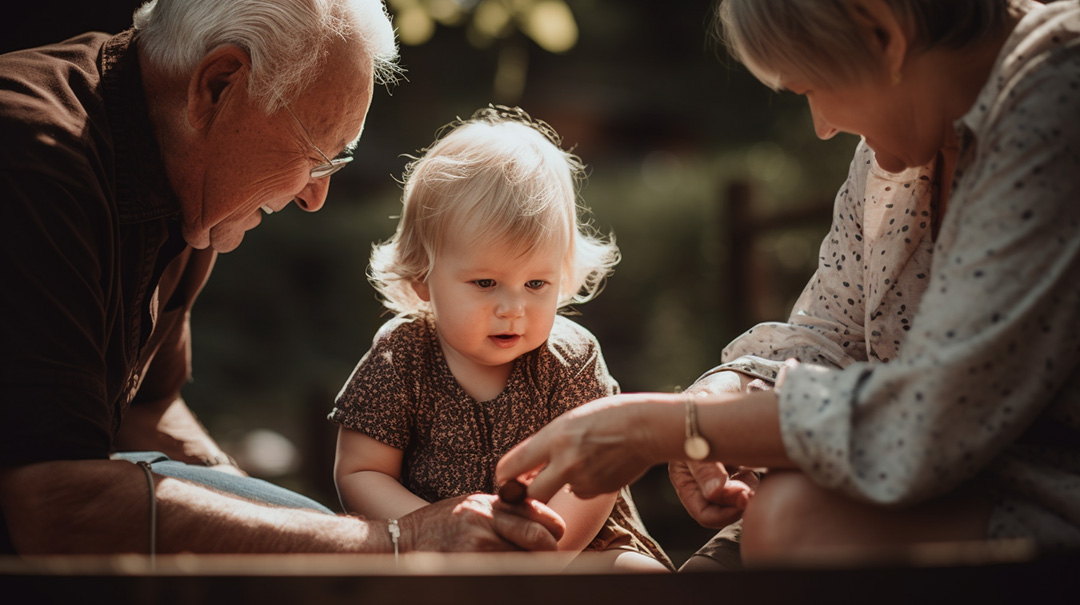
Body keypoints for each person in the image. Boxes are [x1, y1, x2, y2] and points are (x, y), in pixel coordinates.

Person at [497, 0, 1080, 568]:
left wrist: (666, 428)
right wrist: (725, 394)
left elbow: (932, 418)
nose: (823, 127)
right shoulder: (896, 159)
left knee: (791, 520)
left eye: (811, 87)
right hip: (939, 496)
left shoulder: (1057, 95)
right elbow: (831, 336)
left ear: (882, 33)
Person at [0, 0, 564, 556]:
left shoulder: (192, 180)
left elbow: (147, 411)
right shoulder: (35, 161)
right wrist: (398, 541)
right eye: (315, 154)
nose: (316, 197)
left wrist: (251, 510)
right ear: (219, 85)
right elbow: (52, 502)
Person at [329, 106, 674, 572]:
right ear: (422, 279)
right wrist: (430, 532)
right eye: (486, 284)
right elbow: (362, 470)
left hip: (576, 547)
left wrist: (542, 560)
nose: (513, 308)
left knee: (640, 579)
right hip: (436, 553)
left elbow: (595, 477)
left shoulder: (570, 358)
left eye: (536, 285)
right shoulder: (402, 354)